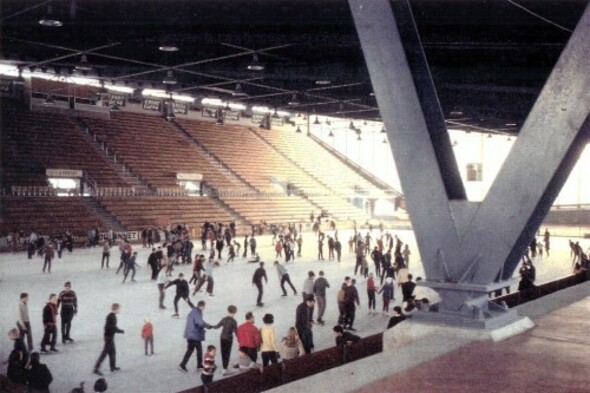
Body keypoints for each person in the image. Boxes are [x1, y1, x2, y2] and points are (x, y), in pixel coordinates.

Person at [179, 300, 212, 373]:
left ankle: (182, 365)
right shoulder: (197, 312)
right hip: (195, 335)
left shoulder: (193, 311)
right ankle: (199, 366)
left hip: (189, 334)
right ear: (202, 306)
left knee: (190, 350)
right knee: (199, 350)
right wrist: (207, 326)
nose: (204, 308)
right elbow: (199, 322)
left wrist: (207, 324)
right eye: (204, 307)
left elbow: (200, 321)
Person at [94, 303, 124, 376]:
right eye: (119, 309)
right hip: (109, 337)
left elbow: (110, 327)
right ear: (116, 309)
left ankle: (112, 367)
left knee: (112, 352)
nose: (120, 310)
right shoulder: (112, 317)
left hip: (109, 337)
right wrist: (120, 331)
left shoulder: (111, 316)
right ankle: (96, 368)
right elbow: (112, 328)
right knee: (104, 353)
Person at [211, 305, 238, 376]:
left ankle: (224, 367)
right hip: (229, 338)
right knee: (227, 353)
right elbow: (236, 332)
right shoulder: (234, 321)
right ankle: (225, 369)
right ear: (235, 312)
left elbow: (217, 326)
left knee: (223, 353)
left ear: (228, 311)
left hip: (222, 337)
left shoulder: (224, 319)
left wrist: (210, 326)